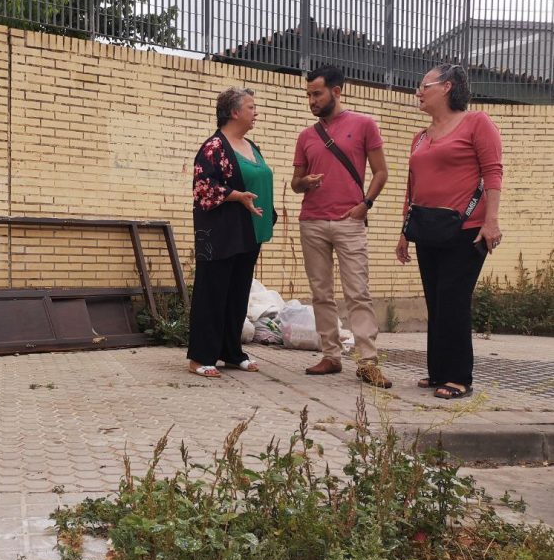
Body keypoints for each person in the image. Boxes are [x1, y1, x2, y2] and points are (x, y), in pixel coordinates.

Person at [396, 64, 503, 400]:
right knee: (436, 301)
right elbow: (412, 186)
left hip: (466, 229)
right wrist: (404, 230)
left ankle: (459, 377)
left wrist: (492, 221)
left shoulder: (477, 123)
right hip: (427, 227)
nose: (417, 92)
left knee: (453, 301)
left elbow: (493, 172)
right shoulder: (420, 137)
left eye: (422, 85)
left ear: (447, 86)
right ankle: (438, 371)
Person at [291, 65, 391, 388]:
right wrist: (303, 182)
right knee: (321, 293)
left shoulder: (364, 125)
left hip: (350, 221)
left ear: (336, 91)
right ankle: (330, 355)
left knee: (357, 291)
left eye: (317, 93)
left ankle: (367, 361)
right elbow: (295, 183)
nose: (311, 100)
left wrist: (366, 204)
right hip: (313, 222)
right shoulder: (306, 136)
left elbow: (380, 172)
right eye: (308, 95)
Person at [188, 87, 276, 378]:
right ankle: (201, 356)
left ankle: (230, 351)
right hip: (220, 233)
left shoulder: (252, 146)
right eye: (251, 107)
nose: (256, 112)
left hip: (249, 231)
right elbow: (203, 187)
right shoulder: (214, 147)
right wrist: (236, 195)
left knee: (238, 293)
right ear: (234, 112)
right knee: (212, 293)